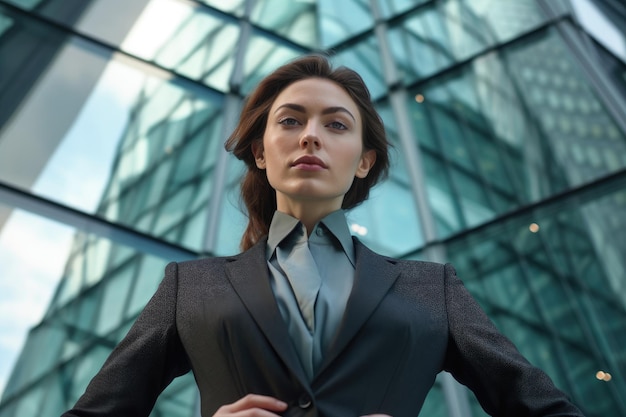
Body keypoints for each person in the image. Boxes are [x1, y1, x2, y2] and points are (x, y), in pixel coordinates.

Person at [62, 55, 584, 417]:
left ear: (364, 161)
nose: (310, 133)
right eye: (290, 120)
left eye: (336, 125)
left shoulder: (433, 288)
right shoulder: (190, 285)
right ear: (261, 153)